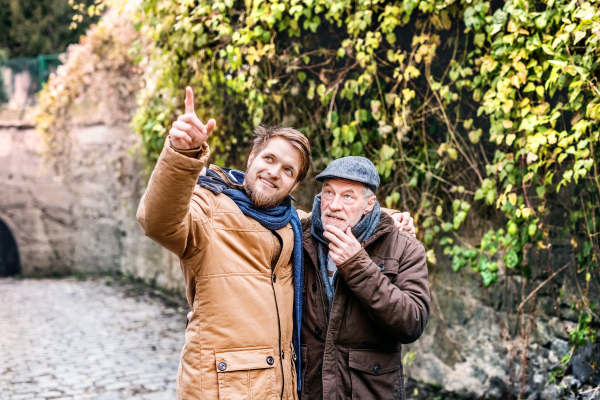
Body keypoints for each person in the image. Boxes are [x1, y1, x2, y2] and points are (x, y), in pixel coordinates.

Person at [138, 86, 415, 399]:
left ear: (295, 183)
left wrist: (387, 219)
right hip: (224, 388)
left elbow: (335, 214)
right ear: (251, 157)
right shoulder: (209, 208)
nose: (274, 173)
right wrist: (180, 154)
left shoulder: (291, 222)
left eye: (287, 170)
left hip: (281, 387)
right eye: (269, 159)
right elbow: (158, 221)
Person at [299, 157, 430, 400]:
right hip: (308, 390)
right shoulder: (300, 235)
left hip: (368, 392)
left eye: (348, 196)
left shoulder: (405, 247)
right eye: (329, 192)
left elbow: (412, 322)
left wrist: (356, 265)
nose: (334, 205)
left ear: (369, 205)